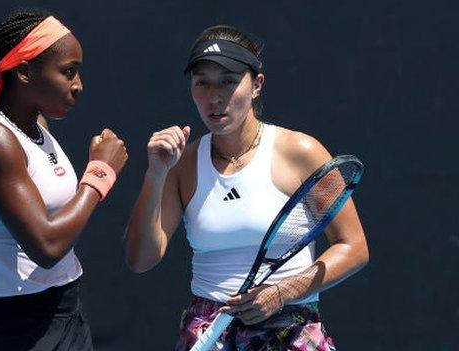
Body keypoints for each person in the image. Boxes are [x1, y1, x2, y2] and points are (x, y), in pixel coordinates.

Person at [125, 25, 368, 350]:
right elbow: (140, 260)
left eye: (228, 81)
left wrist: (283, 292)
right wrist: (155, 174)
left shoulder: (302, 152)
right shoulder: (182, 164)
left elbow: (354, 247)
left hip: (291, 327)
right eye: (203, 83)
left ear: (256, 85)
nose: (215, 97)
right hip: (209, 330)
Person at [0, 10, 127, 350]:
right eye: (68, 71)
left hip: (66, 313)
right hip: (9, 324)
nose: (78, 85)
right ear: (25, 71)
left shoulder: (38, 127)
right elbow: (46, 247)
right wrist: (99, 174)